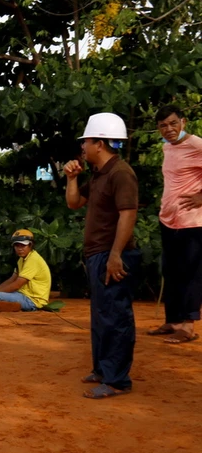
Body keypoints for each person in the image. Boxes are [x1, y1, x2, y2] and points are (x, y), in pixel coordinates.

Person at [63, 112, 140, 399]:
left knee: (115, 317)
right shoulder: (100, 174)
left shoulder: (121, 173)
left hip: (112, 255)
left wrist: (116, 254)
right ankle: (103, 370)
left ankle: (117, 380)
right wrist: (72, 177)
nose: (82, 147)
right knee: (101, 316)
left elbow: (128, 214)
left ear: (100, 143)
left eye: (86, 142)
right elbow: (74, 203)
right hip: (100, 255)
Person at [149, 104, 202, 344]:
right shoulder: (166, 147)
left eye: (172, 123)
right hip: (168, 220)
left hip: (192, 221)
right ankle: (173, 321)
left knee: (191, 273)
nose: (168, 129)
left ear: (183, 121)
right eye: (162, 126)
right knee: (170, 271)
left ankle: (188, 326)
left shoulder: (196, 144)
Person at [0, 229, 52, 312]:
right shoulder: (22, 260)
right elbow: (12, 279)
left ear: (30, 245)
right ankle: (9, 305)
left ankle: (13, 305)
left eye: (23, 245)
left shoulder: (33, 259)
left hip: (33, 300)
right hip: (22, 295)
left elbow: (17, 285)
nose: (20, 248)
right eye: (17, 245)